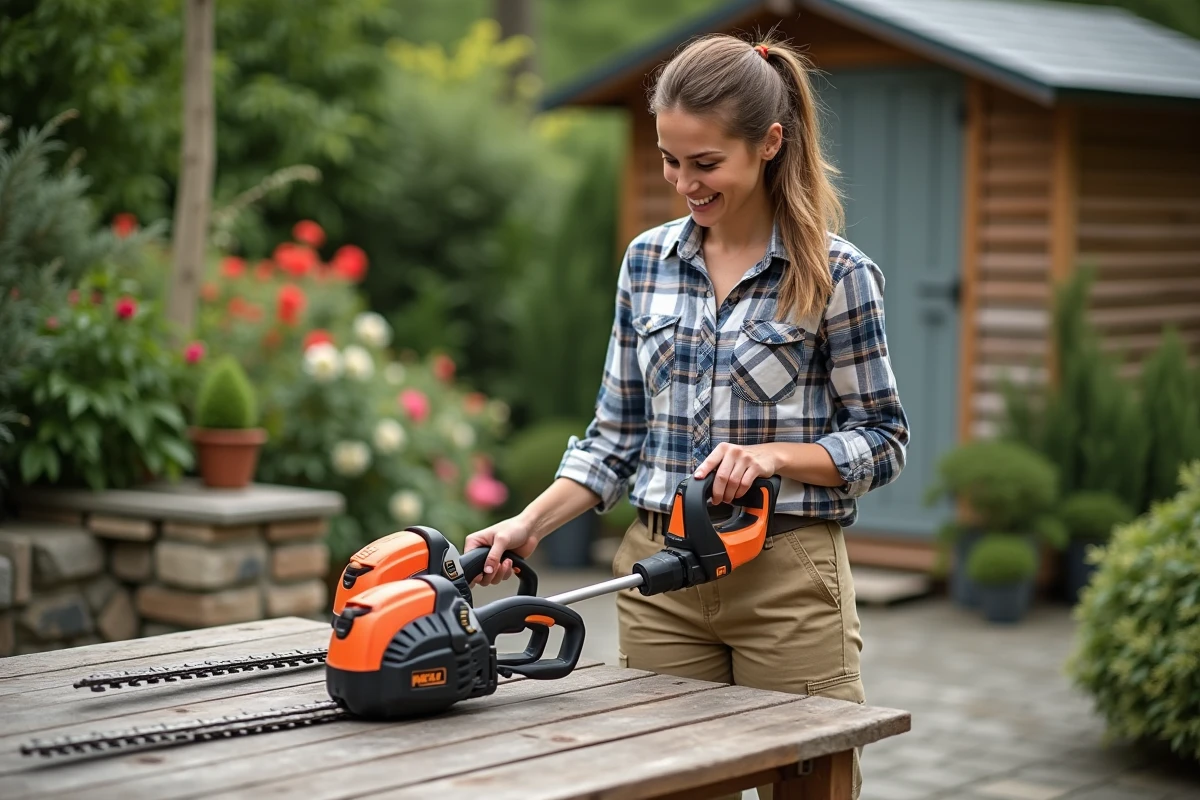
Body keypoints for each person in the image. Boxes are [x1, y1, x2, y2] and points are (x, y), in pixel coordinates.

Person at [465, 33, 907, 800]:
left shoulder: (838, 275)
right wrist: (527, 526)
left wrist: (773, 457)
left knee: (808, 787)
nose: (684, 183)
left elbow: (884, 439)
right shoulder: (645, 263)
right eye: (671, 161)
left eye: (705, 164)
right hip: (659, 578)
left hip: (786, 580)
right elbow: (614, 437)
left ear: (769, 143)